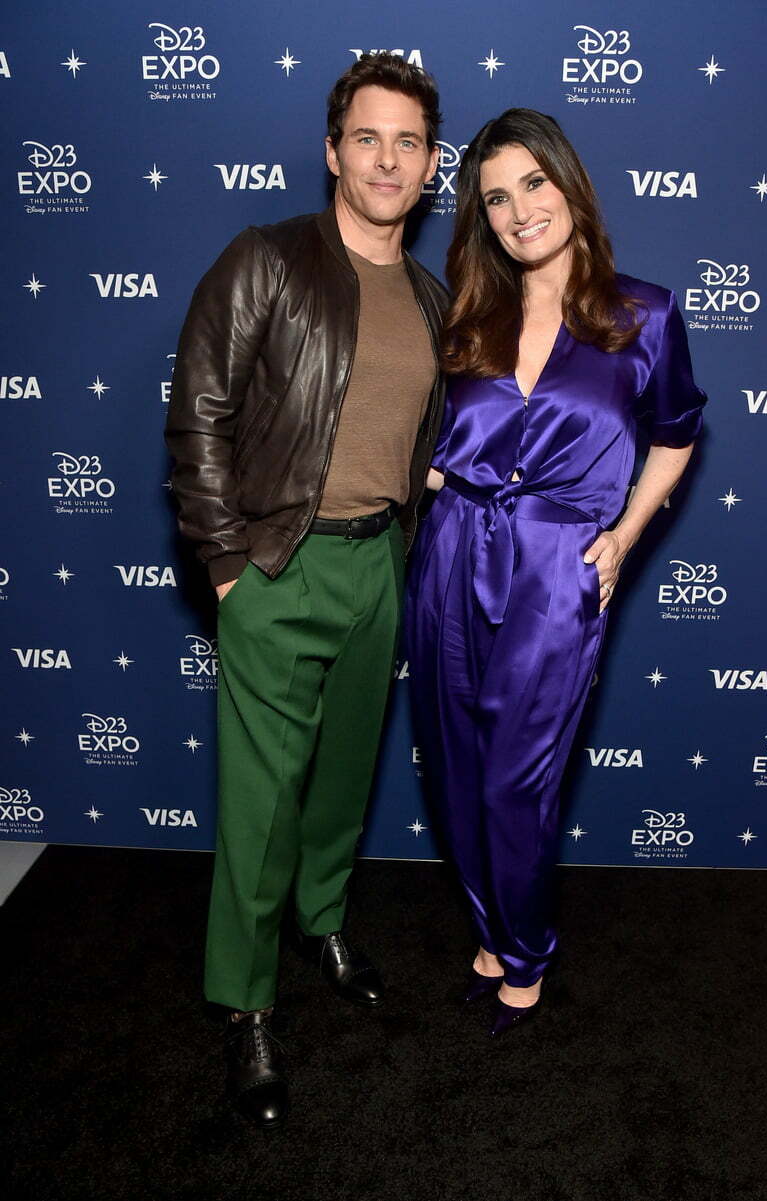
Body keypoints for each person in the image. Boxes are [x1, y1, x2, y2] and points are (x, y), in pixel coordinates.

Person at [165, 53, 446, 1126]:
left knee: (341, 778)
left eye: (407, 142)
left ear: (429, 168)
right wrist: (228, 568)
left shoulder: (425, 294)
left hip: (380, 563)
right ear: (334, 150)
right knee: (258, 801)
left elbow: (410, 437)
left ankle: (321, 920)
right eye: (366, 137)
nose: (386, 158)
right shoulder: (267, 260)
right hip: (277, 562)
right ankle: (243, 1006)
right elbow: (198, 413)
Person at [407, 109, 706, 1037]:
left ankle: (526, 956)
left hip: (555, 566)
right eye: (495, 197)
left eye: (533, 183)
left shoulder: (643, 312)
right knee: (455, 765)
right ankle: (493, 932)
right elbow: (426, 439)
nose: (518, 210)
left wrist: (622, 536)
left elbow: (679, 433)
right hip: (452, 547)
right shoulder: (468, 307)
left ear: (569, 184)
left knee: (515, 777)